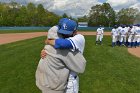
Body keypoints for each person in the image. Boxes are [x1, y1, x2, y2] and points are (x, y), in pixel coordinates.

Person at [36, 19, 86, 93]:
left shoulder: (79, 38)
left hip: (71, 80)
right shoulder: (63, 36)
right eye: (63, 32)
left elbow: (62, 44)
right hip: (61, 80)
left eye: (67, 33)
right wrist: (45, 49)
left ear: (75, 31)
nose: (64, 35)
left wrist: (48, 41)